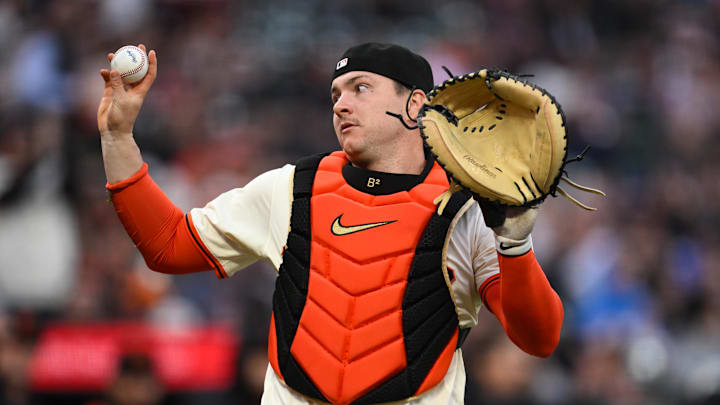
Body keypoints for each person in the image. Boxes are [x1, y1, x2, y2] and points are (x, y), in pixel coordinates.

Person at [97, 42, 563, 405]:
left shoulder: (468, 211)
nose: (341, 104)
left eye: (361, 88)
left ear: (415, 104)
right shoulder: (291, 187)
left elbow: (539, 338)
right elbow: (168, 246)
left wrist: (515, 244)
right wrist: (117, 137)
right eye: (336, 94)